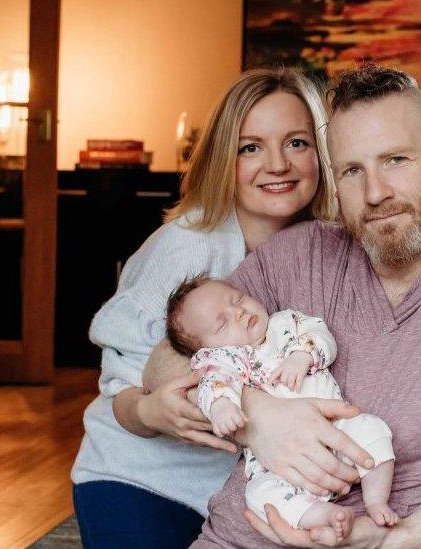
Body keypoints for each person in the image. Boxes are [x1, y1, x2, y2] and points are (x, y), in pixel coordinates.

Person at [148, 65, 421, 548]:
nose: (376, 193)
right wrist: (258, 415)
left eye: (396, 160)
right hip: (238, 537)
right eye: (353, 170)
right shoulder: (298, 253)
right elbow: (168, 358)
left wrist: (398, 536)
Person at [70, 67, 338, 548]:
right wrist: (151, 412)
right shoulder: (188, 247)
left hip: (255, 488)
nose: (276, 164)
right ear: (223, 160)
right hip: (142, 477)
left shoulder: (330, 248)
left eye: (296, 143)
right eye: (250, 147)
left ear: (323, 152)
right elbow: (118, 382)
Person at [143, 274, 397, 538]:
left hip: (338, 428)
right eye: (222, 324)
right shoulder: (224, 360)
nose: (239, 312)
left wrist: (302, 355)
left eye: (237, 299)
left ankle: (376, 500)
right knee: (260, 495)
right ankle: (323, 516)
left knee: (372, 428)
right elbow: (214, 384)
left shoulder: (286, 322)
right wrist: (221, 407)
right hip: (280, 468)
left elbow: (320, 333)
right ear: (205, 350)